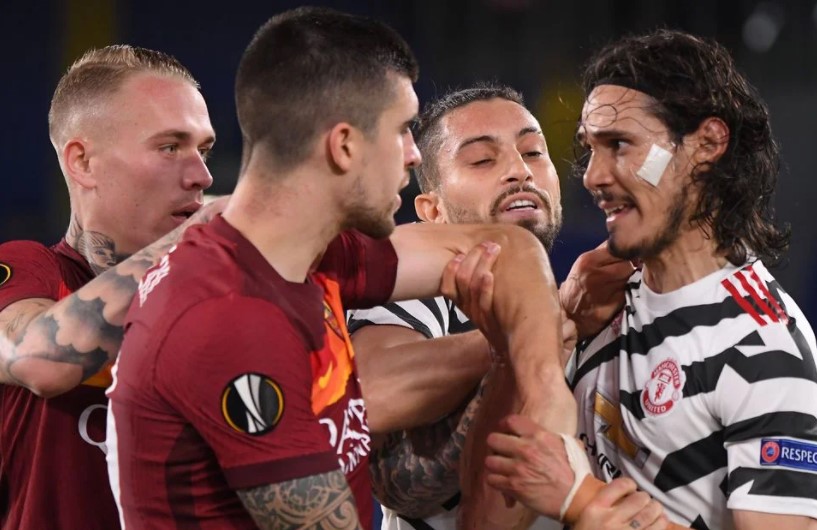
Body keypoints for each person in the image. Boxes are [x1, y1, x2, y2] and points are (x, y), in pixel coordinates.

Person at [105, 8, 576, 530]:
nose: (414, 155)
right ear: (345, 146)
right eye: (402, 130)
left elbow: (507, 246)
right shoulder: (229, 320)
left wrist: (544, 387)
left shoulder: (319, 254)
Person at [483, 29, 817, 530]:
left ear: (707, 144)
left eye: (620, 144)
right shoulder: (600, 295)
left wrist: (581, 501)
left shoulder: (764, 349)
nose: (592, 176)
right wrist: (561, 319)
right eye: (590, 148)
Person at [348, 85, 663, 530]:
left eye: (533, 152)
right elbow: (366, 392)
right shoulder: (420, 292)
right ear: (432, 211)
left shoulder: (600, 298)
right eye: (482, 160)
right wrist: (529, 332)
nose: (519, 171)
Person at [0, 46, 218, 529]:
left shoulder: (226, 297)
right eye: (170, 147)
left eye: (203, 151)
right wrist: (201, 235)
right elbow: (39, 360)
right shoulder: (30, 271)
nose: (201, 176)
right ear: (83, 162)